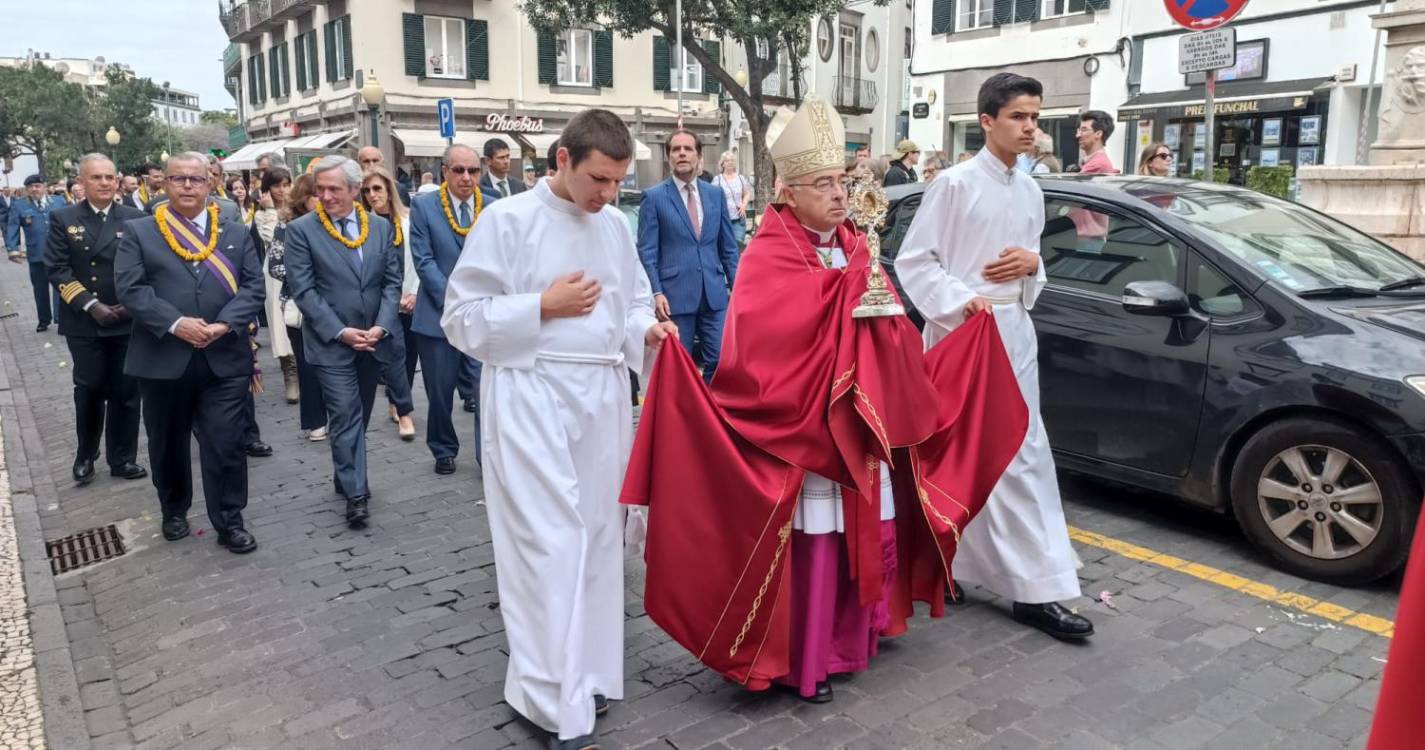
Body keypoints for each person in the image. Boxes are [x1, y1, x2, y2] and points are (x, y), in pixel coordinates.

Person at [623, 96, 1029, 707]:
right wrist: (842, 295)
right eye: (823, 185)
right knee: (814, 539)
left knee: (857, 531)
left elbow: (889, 323)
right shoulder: (768, 250)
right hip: (805, 428)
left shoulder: (857, 246)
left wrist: (943, 309)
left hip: (858, 422)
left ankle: (853, 638)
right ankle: (804, 659)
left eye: (841, 182)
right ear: (788, 192)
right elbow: (760, 341)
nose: (838, 195)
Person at [441, 106, 676, 750]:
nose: (608, 195)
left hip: (602, 396)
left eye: (619, 183)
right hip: (532, 392)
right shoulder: (506, 220)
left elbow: (630, 302)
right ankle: (549, 696)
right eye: (598, 179)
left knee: (600, 535)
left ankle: (590, 672)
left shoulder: (615, 227)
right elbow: (461, 318)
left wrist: (646, 332)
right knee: (547, 542)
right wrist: (541, 306)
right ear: (563, 160)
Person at [895, 72, 1094, 640]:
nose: (1030, 127)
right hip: (963, 334)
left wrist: (1036, 267)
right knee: (960, 455)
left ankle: (1037, 589)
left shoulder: (1032, 190)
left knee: (1023, 455)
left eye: (1035, 116)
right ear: (987, 121)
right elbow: (916, 262)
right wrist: (963, 303)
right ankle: (949, 562)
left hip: (1015, 333)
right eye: (1018, 117)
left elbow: (1032, 262)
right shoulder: (954, 185)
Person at [114, 152, 265, 554]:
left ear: (209, 184)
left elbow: (253, 287)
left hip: (224, 356)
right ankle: (174, 508)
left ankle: (230, 520)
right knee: (167, 442)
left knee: (226, 442)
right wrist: (178, 324)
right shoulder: (139, 232)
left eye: (195, 179)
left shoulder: (233, 231)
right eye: (177, 179)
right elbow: (132, 289)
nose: (186, 186)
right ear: (163, 183)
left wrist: (223, 324)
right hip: (163, 359)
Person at [283, 156, 404, 528]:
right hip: (331, 343)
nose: (326, 196)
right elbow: (304, 290)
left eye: (335, 189)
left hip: (373, 340)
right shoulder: (302, 231)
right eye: (320, 190)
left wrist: (382, 326)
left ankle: (345, 470)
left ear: (355, 190)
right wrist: (340, 331)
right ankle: (356, 495)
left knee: (359, 415)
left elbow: (391, 282)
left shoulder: (380, 228)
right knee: (345, 413)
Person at [45, 154, 147, 486]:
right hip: (85, 321)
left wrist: (131, 305)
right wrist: (90, 305)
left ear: (117, 182)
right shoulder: (63, 218)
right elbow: (56, 268)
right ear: (82, 183)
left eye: (109, 177)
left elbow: (147, 266)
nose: (104, 183)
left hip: (126, 318)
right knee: (89, 389)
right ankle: (86, 454)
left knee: (127, 391)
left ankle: (123, 458)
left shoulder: (135, 217)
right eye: (97, 178)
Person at [409, 145, 497, 475]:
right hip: (438, 315)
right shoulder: (425, 206)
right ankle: (443, 448)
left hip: (482, 314)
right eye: (459, 170)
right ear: (445, 171)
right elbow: (424, 259)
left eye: (473, 171)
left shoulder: (491, 206)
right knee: (440, 391)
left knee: (482, 387)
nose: (466, 178)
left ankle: (484, 454)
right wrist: (453, 299)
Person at [636, 131, 739, 384]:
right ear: (668, 157)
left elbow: (728, 248)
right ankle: (685, 417)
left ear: (699, 156)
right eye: (675, 149)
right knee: (679, 367)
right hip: (674, 297)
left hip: (714, 295)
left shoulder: (715, 195)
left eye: (688, 148)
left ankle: (711, 413)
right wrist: (656, 292)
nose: (682, 153)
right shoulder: (654, 197)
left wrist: (738, 287)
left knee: (720, 360)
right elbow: (647, 251)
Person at [266, 173, 329, 441]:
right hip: (299, 307)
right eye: (316, 194)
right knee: (306, 364)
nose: (323, 198)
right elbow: (276, 265)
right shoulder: (287, 225)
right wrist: (309, 278)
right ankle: (315, 421)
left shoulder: (335, 223)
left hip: (333, 304)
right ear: (304, 197)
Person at [360, 165, 418, 442]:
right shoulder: (363, 226)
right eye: (367, 190)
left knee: (409, 357)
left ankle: (397, 399)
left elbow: (419, 259)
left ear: (389, 190)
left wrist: (415, 293)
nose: (372, 195)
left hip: (412, 299)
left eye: (377, 189)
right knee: (394, 354)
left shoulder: (409, 220)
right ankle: (404, 411)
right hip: (383, 303)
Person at [251, 168, 302, 407]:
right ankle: (289, 374)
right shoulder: (263, 215)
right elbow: (272, 237)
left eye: (286, 185)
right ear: (267, 189)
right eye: (277, 186)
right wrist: (271, 209)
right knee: (280, 321)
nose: (282, 190)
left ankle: (306, 369)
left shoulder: (300, 207)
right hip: (275, 273)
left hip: (303, 268)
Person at [6, 175, 65, 332]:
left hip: (59, 253)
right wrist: (12, 248)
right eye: (30, 187)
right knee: (40, 289)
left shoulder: (59, 201)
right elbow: (12, 227)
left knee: (61, 286)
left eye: (37, 186)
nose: (34, 189)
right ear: (27, 189)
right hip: (36, 254)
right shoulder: (19, 205)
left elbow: (69, 223)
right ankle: (44, 320)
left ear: (44, 186)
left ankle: (61, 319)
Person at [711, 151, 751, 245]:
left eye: (732, 160)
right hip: (723, 220)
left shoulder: (740, 178)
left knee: (738, 245)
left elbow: (747, 193)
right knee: (725, 246)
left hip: (739, 220)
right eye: (727, 161)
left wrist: (744, 204)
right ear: (722, 164)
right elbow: (711, 197)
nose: (730, 163)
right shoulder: (718, 180)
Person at [1077, 110, 1119, 174]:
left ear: (1098, 134)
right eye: (1079, 130)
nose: (1078, 135)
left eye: (1084, 130)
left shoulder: (1096, 166)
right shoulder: (1097, 162)